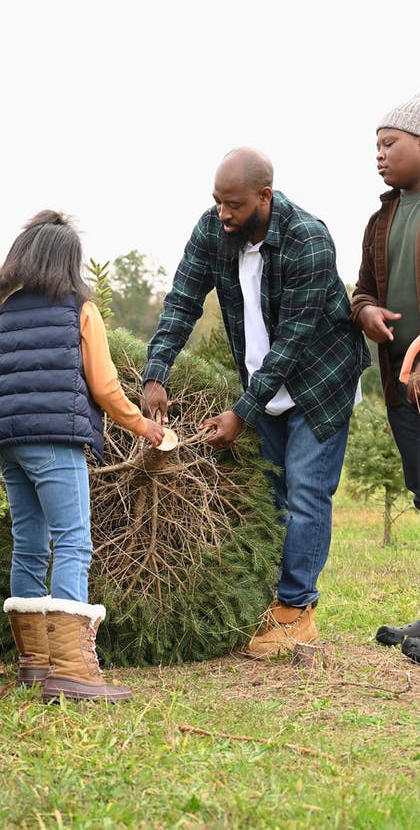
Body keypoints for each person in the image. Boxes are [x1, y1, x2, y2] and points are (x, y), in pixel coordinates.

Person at [142, 147, 369, 658]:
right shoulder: (214, 231)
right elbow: (182, 299)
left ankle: (296, 612)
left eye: (235, 205)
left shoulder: (308, 239)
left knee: (307, 490)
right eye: (218, 202)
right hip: (261, 383)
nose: (224, 214)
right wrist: (157, 371)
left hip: (319, 379)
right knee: (270, 495)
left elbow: (292, 342)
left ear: (264, 197)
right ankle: (268, 601)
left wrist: (241, 412)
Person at [0, 209, 164, 701]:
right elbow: (104, 386)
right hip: (56, 441)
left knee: (30, 542)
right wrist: (144, 426)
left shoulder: (1, 318)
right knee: (74, 541)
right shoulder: (79, 310)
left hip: (7, 442)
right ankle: (73, 670)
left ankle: (35, 663)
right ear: (68, 263)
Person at [351, 92, 420, 665]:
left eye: (390, 143)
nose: (379, 154)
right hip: (401, 387)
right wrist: (368, 311)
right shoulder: (382, 218)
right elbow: (362, 291)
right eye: (376, 145)